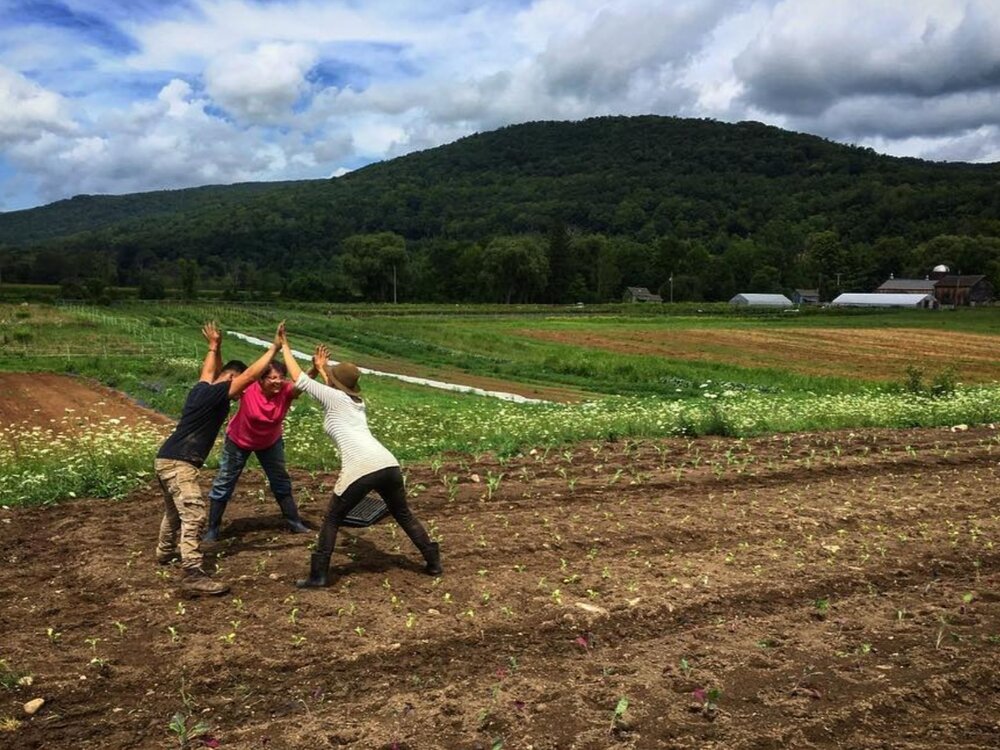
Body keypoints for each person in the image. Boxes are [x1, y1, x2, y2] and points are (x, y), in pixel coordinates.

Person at [277, 328, 441, 588]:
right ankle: (433, 559)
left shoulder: (335, 398)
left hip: (361, 466)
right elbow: (332, 390)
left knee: (332, 518)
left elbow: (299, 379)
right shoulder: (355, 402)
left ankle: (318, 575)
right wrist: (323, 368)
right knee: (402, 513)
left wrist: (284, 345)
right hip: (388, 464)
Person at [154, 321, 282, 597]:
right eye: (237, 390)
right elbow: (248, 376)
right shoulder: (217, 394)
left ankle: (164, 553)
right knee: (194, 513)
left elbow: (210, 370)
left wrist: (214, 346)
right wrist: (274, 348)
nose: (238, 398)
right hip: (180, 462)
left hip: (165, 458)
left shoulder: (202, 390)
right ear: (231, 379)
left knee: (174, 512)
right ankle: (192, 572)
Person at [202, 358, 317, 542]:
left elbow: (303, 383)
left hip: (270, 442)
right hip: (238, 441)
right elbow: (222, 379)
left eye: (280, 377)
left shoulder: (285, 391)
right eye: (271, 377)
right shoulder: (248, 389)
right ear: (261, 380)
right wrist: (215, 349)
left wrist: (315, 368)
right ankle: (213, 528)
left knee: (280, 479)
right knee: (225, 481)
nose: (277, 381)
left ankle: (294, 521)